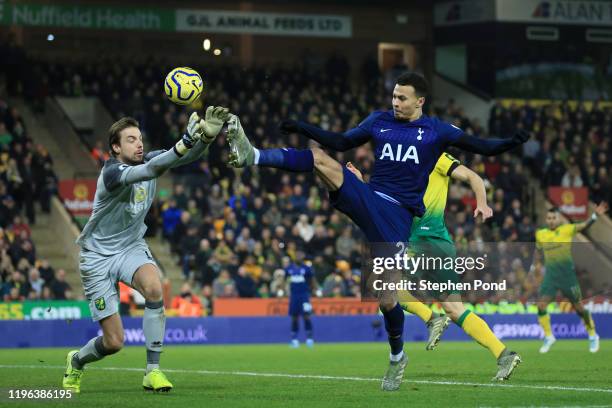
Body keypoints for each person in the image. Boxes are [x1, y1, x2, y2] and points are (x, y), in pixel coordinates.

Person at [227, 72, 530, 391]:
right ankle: (254, 155)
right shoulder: (379, 121)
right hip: (372, 197)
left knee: (387, 297)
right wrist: (304, 127)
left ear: (420, 101)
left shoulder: (436, 133)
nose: (395, 102)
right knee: (320, 159)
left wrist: (510, 143)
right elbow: (342, 142)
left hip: (400, 219)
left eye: (402, 98)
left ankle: (399, 357)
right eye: (394, 96)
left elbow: (481, 148)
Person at [62, 106, 229, 394]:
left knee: (154, 288)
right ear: (115, 147)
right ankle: (76, 360)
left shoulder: (150, 159)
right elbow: (153, 168)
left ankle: (153, 371)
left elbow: (179, 158)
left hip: (130, 247)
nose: (139, 143)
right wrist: (185, 141)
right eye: (130, 139)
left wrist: (205, 139)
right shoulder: (111, 173)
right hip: (97, 257)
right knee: (114, 342)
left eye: (139, 138)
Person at [346, 153, 520, 381]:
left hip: (421, 241)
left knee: (377, 284)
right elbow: (385, 202)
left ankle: (431, 318)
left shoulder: (436, 158)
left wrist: (483, 202)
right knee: (455, 309)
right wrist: (361, 183)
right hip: (439, 243)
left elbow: (471, 175)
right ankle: (503, 354)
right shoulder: (401, 164)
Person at [533, 203, 608, 354]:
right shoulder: (541, 234)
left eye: (554, 218)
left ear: (559, 219)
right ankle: (549, 336)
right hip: (551, 277)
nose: (551, 220)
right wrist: (536, 267)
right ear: (546, 220)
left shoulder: (566, 230)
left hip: (567, 277)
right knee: (541, 305)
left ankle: (593, 334)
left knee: (579, 308)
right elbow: (538, 252)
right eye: (549, 218)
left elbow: (584, 226)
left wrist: (595, 216)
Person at [285, 251, 316, 348]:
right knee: (294, 317)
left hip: (304, 296)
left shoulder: (307, 268)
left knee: (306, 316)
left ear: (303, 256)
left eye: (300, 254)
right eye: (297, 254)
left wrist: (312, 291)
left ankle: (309, 339)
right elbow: (284, 280)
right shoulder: (289, 269)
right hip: (294, 296)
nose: (298, 256)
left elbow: (312, 281)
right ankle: (294, 339)